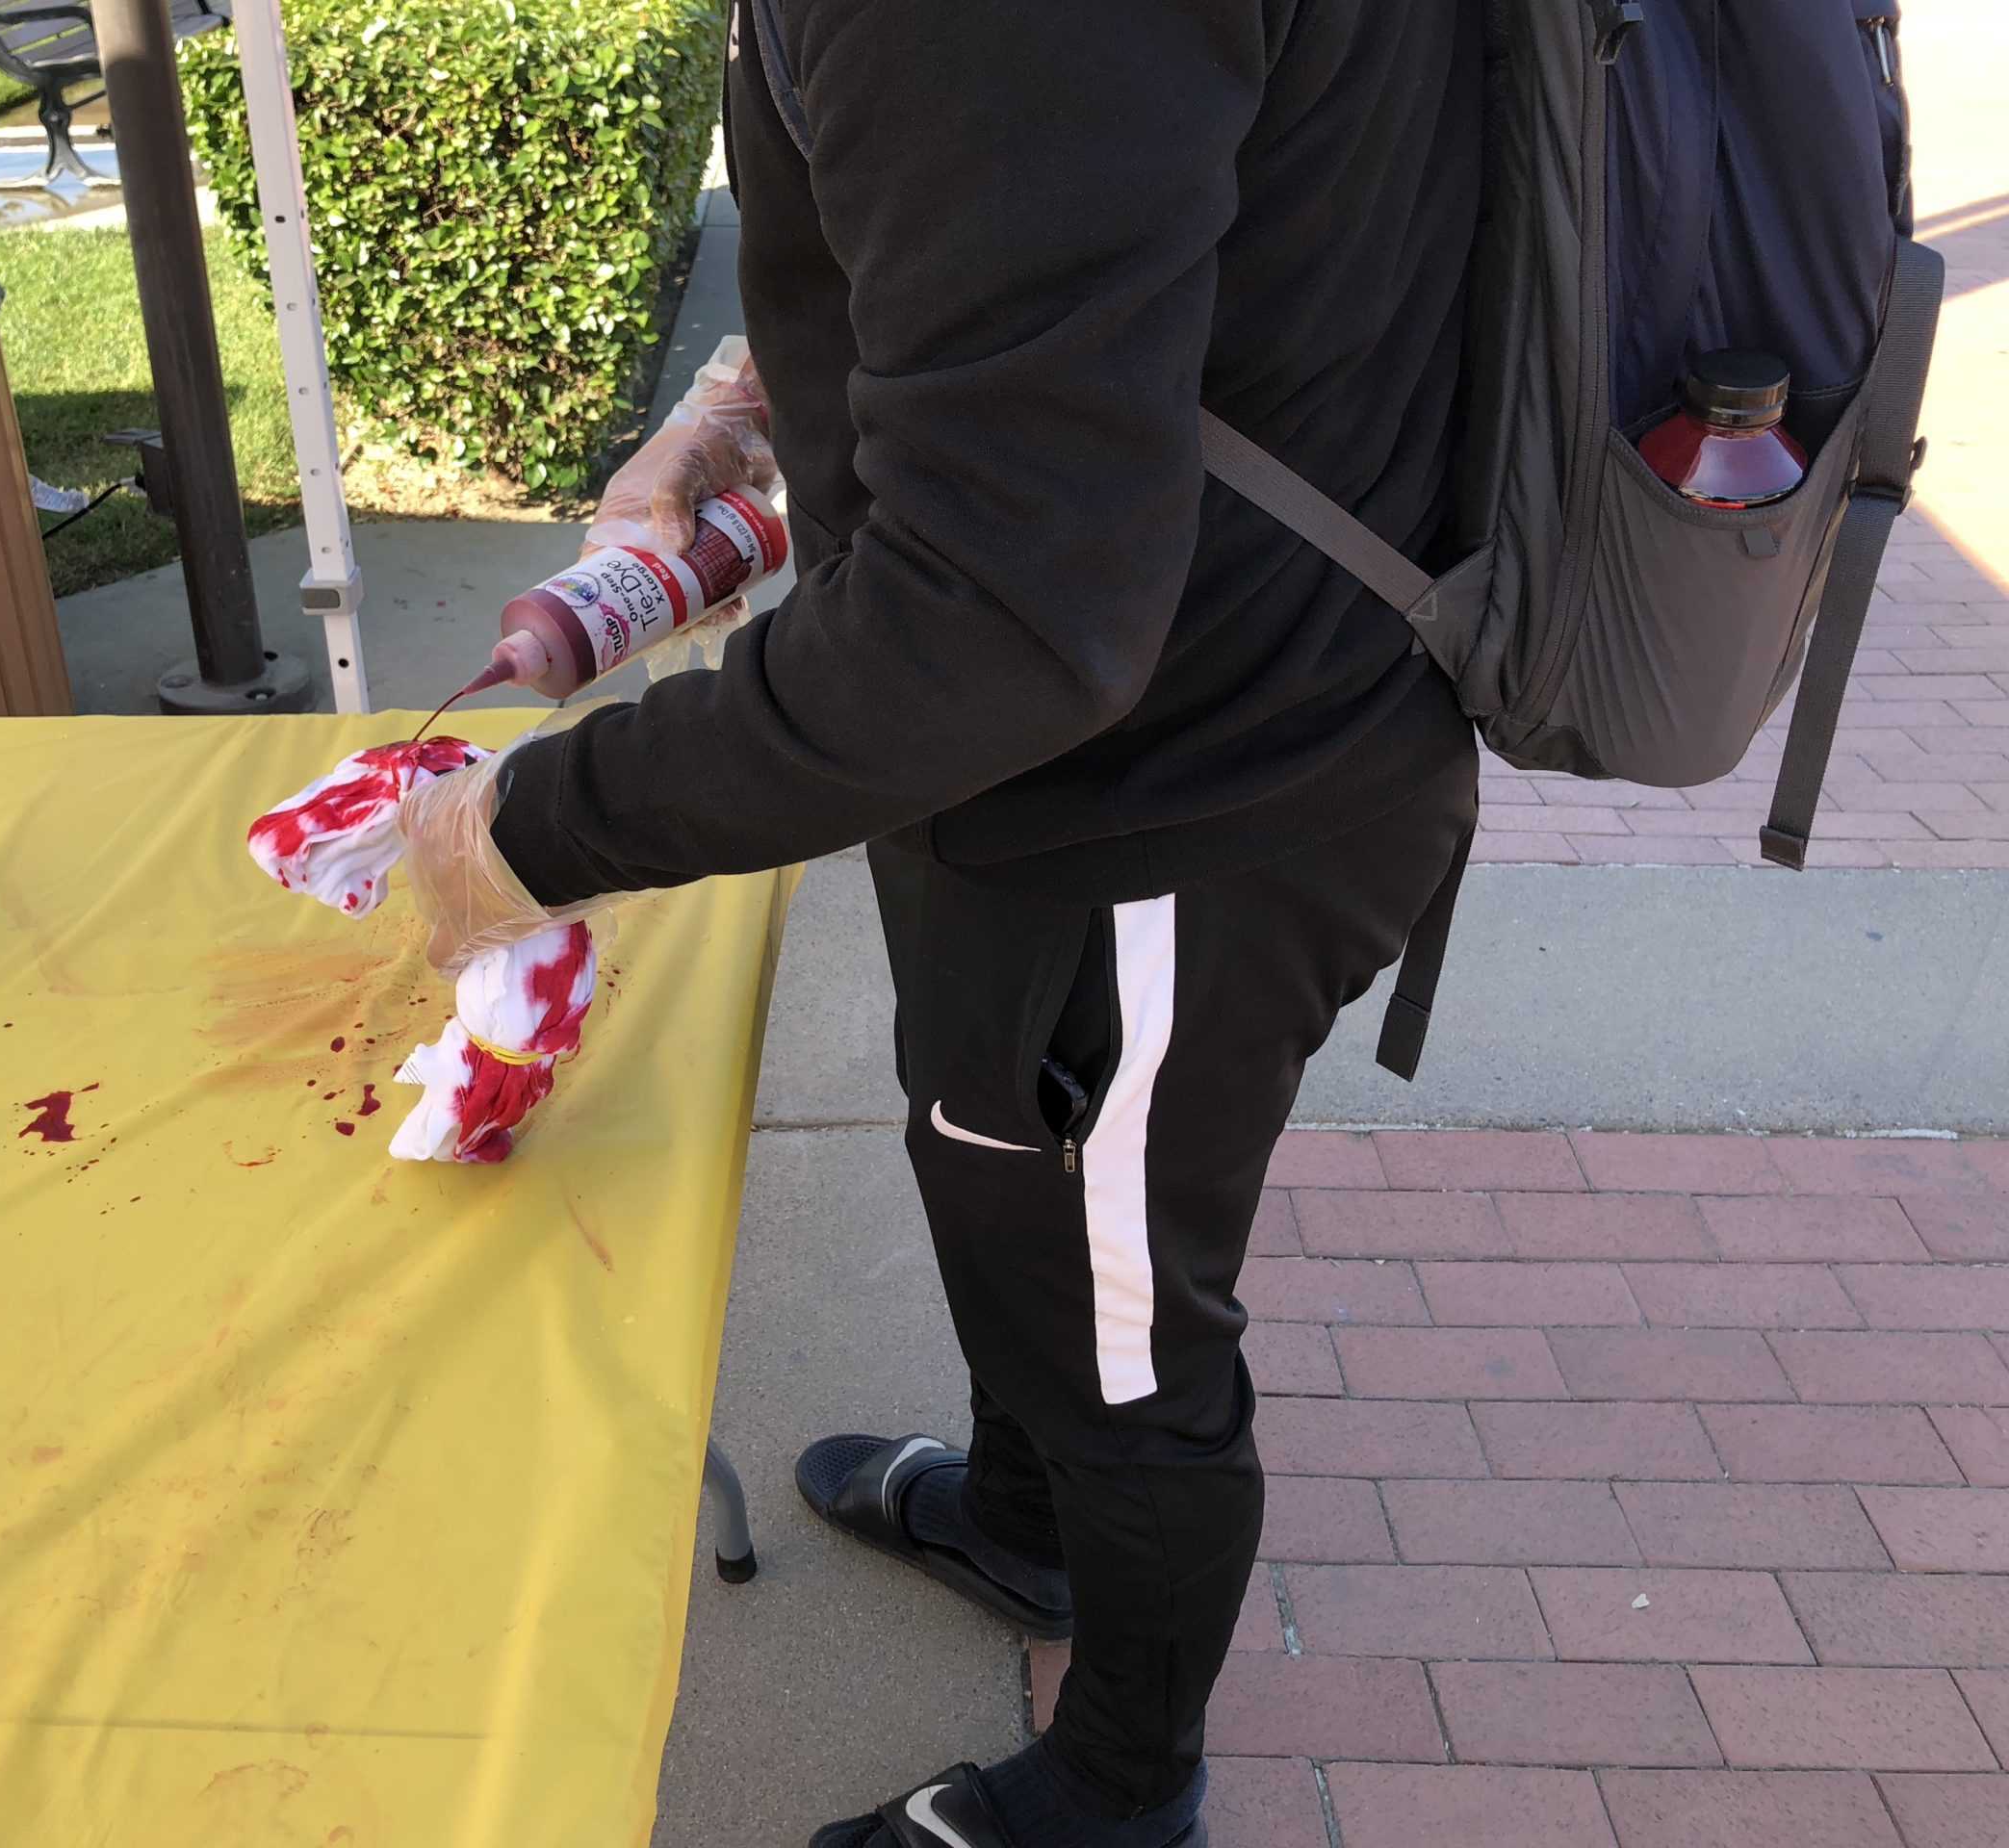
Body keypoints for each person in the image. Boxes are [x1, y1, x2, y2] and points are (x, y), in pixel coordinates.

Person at [401, 3, 1483, 1843]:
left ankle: (1125, 1783)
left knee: (1122, 1323)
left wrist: (529, 829)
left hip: (1188, 792)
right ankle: (1021, 1511)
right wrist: (768, 395)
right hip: (1122, 737)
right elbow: (1060, 223)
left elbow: (1000, 617)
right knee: (989, 1145)